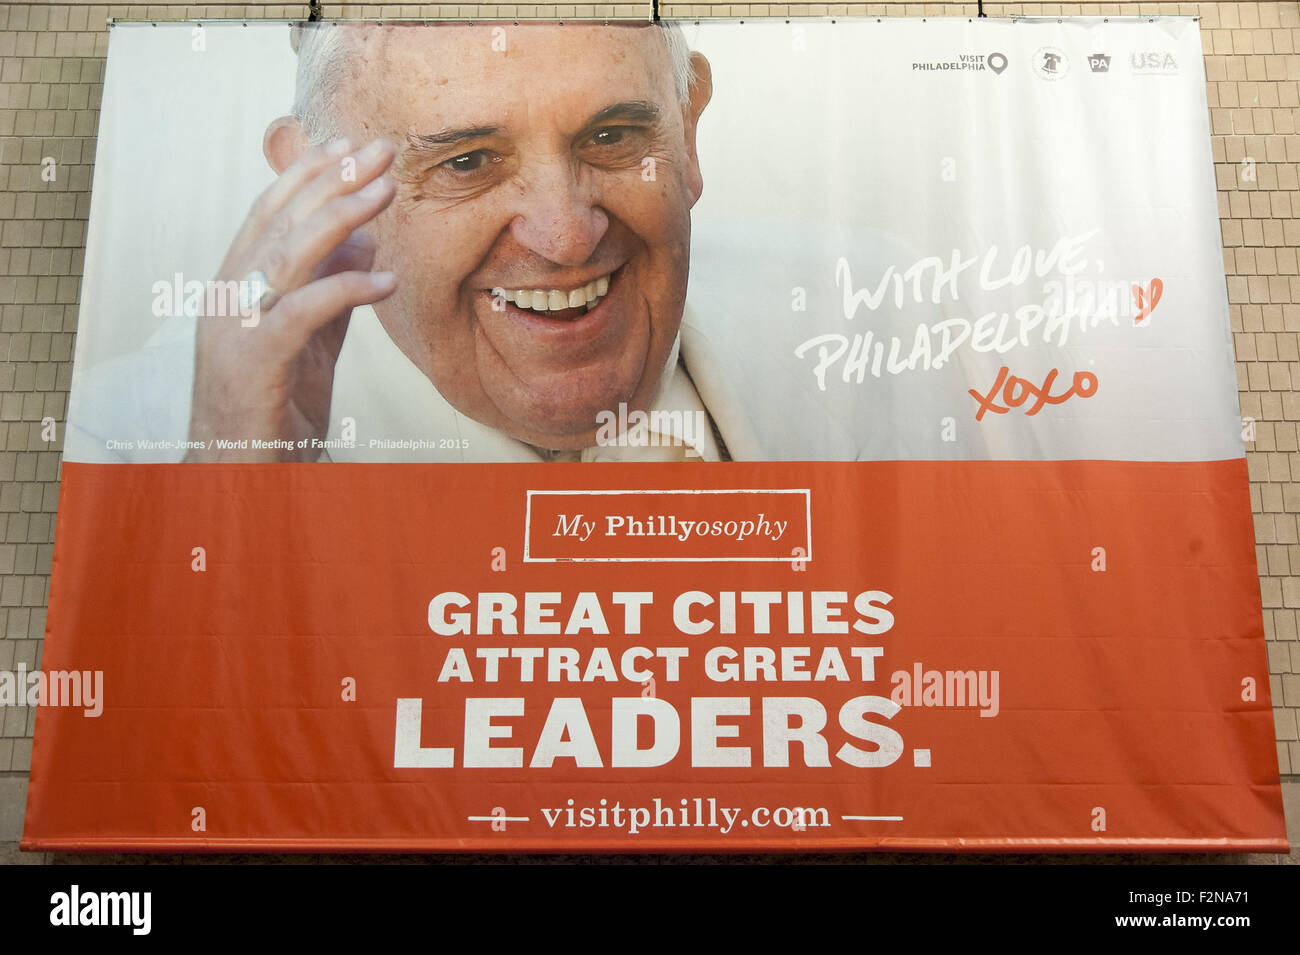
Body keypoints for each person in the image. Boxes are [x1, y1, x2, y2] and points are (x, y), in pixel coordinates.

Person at [68, 21, 736, 464]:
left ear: (687, 130)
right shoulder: (122, 445)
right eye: (468, 162)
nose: (565, 236)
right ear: (319, 183)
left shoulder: (832, 336)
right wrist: (236, 508)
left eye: (612, 136)